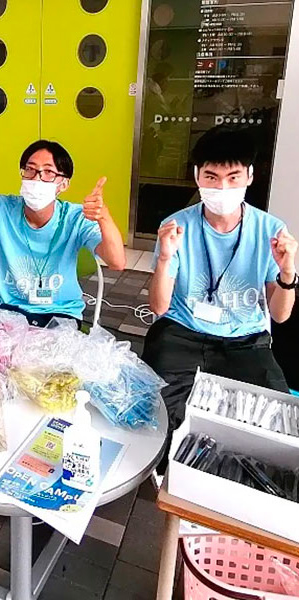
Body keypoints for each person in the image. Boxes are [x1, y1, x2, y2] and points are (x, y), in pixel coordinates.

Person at [142, 127, 297, 471]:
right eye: (211, 177)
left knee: (274, 423)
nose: (222, 188)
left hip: (245, 340)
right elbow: (159, 307)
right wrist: (165, 258)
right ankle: (171, 479)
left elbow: (280, 315)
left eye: (233, 177)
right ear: (197, 176)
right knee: (162, 415)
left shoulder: (270, 230)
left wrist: (287, 272)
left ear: (249, 176)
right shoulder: (176, 226)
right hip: (182, 333)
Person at [0, 140, 126, 326]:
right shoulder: (1, 207)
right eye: (30, 169)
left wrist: (104, 217)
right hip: (10, 311)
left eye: (48, 172)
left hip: (61, 313)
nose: (37, 178)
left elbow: (117, 262)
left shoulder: (75, 217)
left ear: (63, 184)